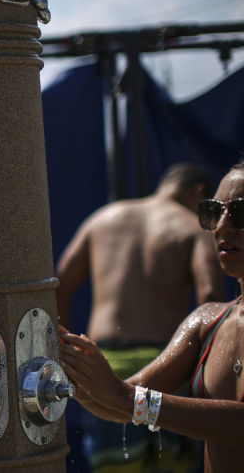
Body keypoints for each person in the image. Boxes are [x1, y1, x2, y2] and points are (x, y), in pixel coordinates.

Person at [60, 159, 244, 473]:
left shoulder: (102, 218)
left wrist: (129, 399)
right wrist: (74, 371)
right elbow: (119, 402)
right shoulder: (208, 320)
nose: (221, 226)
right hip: (145, 355)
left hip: (114, 356)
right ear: (198, 195)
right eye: (213, 212)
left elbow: (61, 282)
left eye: (240, 212)